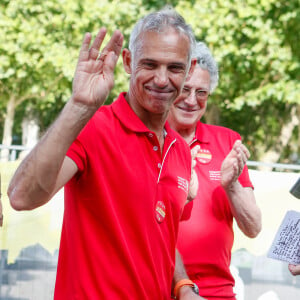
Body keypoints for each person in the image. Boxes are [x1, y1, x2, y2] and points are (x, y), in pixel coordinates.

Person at [8, 7, 199, 299]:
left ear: (189, 69)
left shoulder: (180, 152)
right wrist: (79, 105)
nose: (162, 79)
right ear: (128, 61)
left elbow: (159, 238)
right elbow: (22, 196)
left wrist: (183, 286)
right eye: (149, 65)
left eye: (174, 67)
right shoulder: (92, 127)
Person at [168, 42, 262, 299]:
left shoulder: (228, 142)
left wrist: (231, 185)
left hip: (217, 292)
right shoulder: (150, 139)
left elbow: (253, 227)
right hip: (156, 288)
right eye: (185, 89)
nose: (191, 100)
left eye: (202, 92)